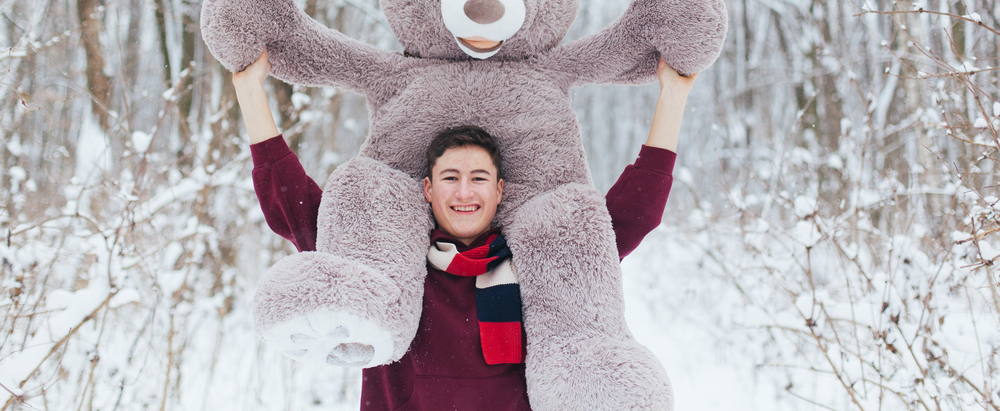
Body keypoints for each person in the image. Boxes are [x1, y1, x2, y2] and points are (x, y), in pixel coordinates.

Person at [233, 49, 696, 410]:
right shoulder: (387, 262)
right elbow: (293, 205)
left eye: (478, 178)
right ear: (428, 189)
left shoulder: (541, 262)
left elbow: (633, 213)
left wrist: (673, 96)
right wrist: (250, 90)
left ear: (499, 191)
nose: (464, 192)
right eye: (450, 178)